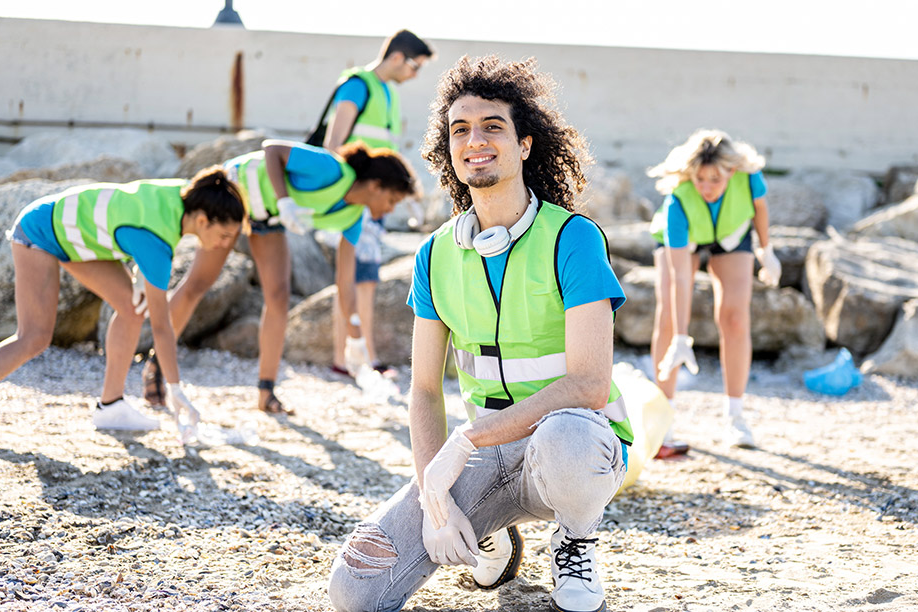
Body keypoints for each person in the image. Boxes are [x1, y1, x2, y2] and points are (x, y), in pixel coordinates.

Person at [328, 55, 634, 612]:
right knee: (355, 590)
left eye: (493, 126)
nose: (475, 140)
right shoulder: (434, 254)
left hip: (577, 445)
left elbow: (589, 384)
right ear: (448, 149)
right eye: (459, 129)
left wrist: (465, 441)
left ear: (525, 145)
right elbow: (423, 390)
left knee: (565, 438)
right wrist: (434, 494)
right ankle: (490, 532)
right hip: (488, 454)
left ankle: (576, 538)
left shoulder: (574, 238)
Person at [0, 168, 246, 440]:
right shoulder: (157, 243)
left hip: (80, 239)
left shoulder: (189, 194)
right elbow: (163, 327)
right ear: (203, 220)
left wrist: (137, 274)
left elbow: (126, 218)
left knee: (131, 307)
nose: (223, 245)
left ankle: (110, 406)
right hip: (40, 230)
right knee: (34, 337)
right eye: (223, 235)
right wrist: (177, 390)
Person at [140, 140, 418, 414]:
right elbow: (272, 149)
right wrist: (285, 200)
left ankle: (266, 391)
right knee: (198, 283)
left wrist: (355, 340)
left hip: (267, 219)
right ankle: (156, 364)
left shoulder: (353, 218)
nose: (391, 210)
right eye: (392, 200)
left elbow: (346, 284)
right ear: (375, 185)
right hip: (234, 196)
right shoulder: (330, 169)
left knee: (279, 296)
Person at [647, 128, 781, 455]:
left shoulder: (748, 177)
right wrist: (681, 338)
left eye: (715, 179)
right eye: (700, 179)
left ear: (731, 172)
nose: (706, 187)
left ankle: (735, 417)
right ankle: (663, 422)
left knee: (734, 318)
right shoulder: (678, 202)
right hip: (686, 239)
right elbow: (680, 277)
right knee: (668, 318)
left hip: (732, 235)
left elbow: (760, 210)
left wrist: (767, 250)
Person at [316, 29, 434, 378]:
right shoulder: (358, 85)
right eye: (415, 66)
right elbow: (334, 142)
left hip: (377, 201)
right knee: (353, 276)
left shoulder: (387, 93)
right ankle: (352, 358)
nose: (415, 74)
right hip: (357, 200)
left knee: (365, 277)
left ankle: (359, 356)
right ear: (397, 56)